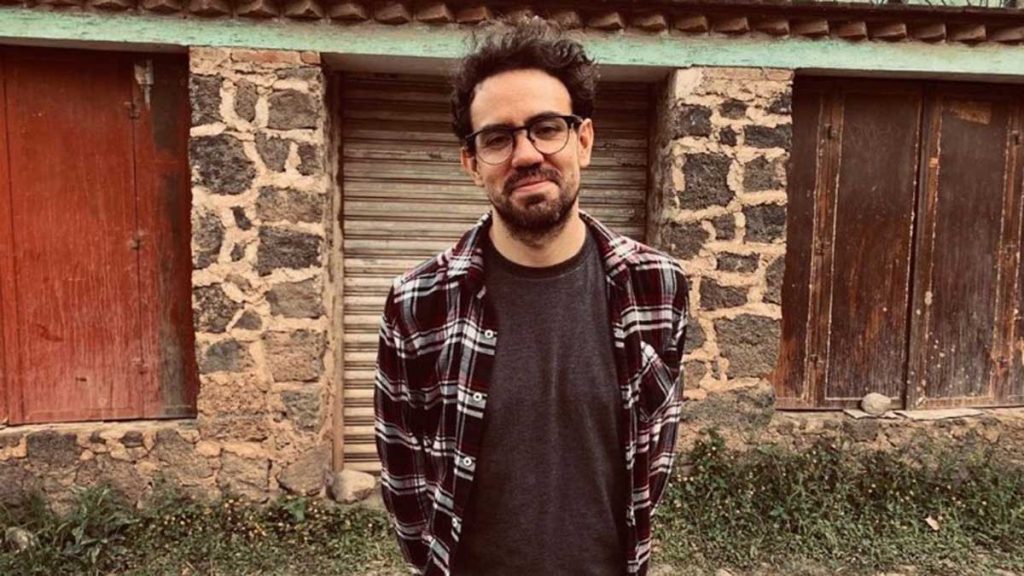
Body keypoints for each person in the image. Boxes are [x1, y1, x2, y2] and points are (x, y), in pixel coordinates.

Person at [374, 18, 688, 576]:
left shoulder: (657, 287)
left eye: (546, 128)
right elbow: (404, 476)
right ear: (471, 163)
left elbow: (653, 451)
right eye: (498, 138)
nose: (525, 154)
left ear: (583, 141)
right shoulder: (418, 303)